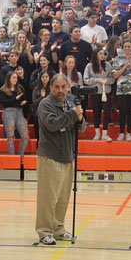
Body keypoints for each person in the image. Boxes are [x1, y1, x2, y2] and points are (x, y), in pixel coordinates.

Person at [36, 73, 86, 245]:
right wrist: (73, 115)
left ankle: (58, 229)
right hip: (50, 156)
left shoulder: (71, 103)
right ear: (51, 88)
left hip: (67, 156)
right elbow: (53, 124)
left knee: (63, 197)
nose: (60, 90)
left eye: (63, 87)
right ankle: (44, 232)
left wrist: (79, 119)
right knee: (48, 197)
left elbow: (82, 127)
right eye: (56, 87)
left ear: (68, 87)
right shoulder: (45, 104)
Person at [112, 40, 131, 141]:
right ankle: (121, 133)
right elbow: (115, 75)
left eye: (129, 46)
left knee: (130, 111)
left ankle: (128, 133)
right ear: (123, 48)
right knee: (122, 111)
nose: (127, 48)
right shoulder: (117, 59)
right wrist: (125, 66)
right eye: (125, 46)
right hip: (121, 89)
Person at [84, 48, 114, 141]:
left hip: (106, 93)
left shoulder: (108, 65)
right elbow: (86, 79)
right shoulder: (89, 66)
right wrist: (97, 80)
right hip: (95, 93)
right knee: (96, 113)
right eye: (100, 53)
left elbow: (112, 78)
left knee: (106, 113)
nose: (102, 55)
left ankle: (105, 133)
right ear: (96, 54)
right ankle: (97, 133)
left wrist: (106, 81)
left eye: (103, 54)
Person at [0, 71, 29, 156]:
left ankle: (21, 155)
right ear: (9, 78)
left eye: (16, 78)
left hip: (19, 112)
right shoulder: (3, 89)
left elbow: (25, 99)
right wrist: (15, 99)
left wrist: (24, 102)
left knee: (25, 136)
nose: (15, 79)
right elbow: (4, 103)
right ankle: (12, 157)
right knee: (10, 136)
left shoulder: (20, 88)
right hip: (8, 112)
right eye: (13, 77)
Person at [32, 71, 51, 143]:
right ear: (40, 78)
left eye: (46, 76)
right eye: (43, 77)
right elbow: (34, 103)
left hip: (49, 115)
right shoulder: (36, 89)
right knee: (39, 137)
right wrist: (41, 97)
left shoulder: (52, 89)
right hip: (38, 115)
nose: (45, 78)